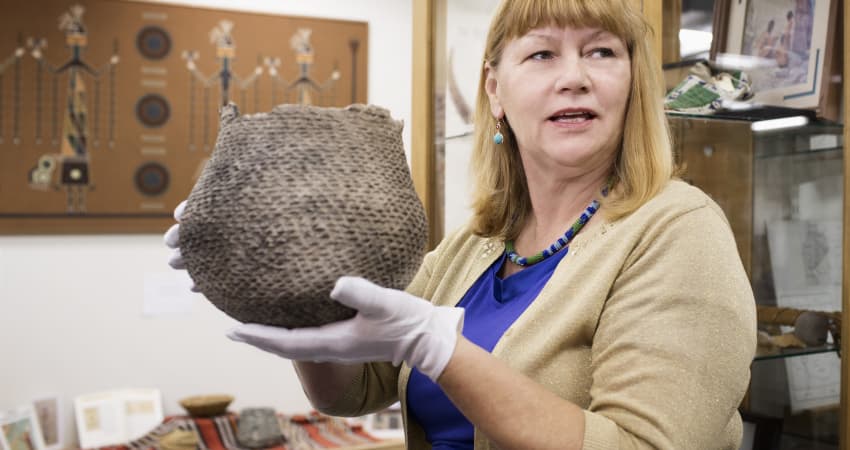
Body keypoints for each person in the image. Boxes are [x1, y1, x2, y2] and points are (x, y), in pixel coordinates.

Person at [165, 0, 757, 448]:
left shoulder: (679, 229)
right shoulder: (476, 245)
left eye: (602, 51)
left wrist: (442, 350)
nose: (574, 76)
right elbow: (352, 391)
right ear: (495, 91)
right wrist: (290, 293)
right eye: (542, 53)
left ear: (632, 83)